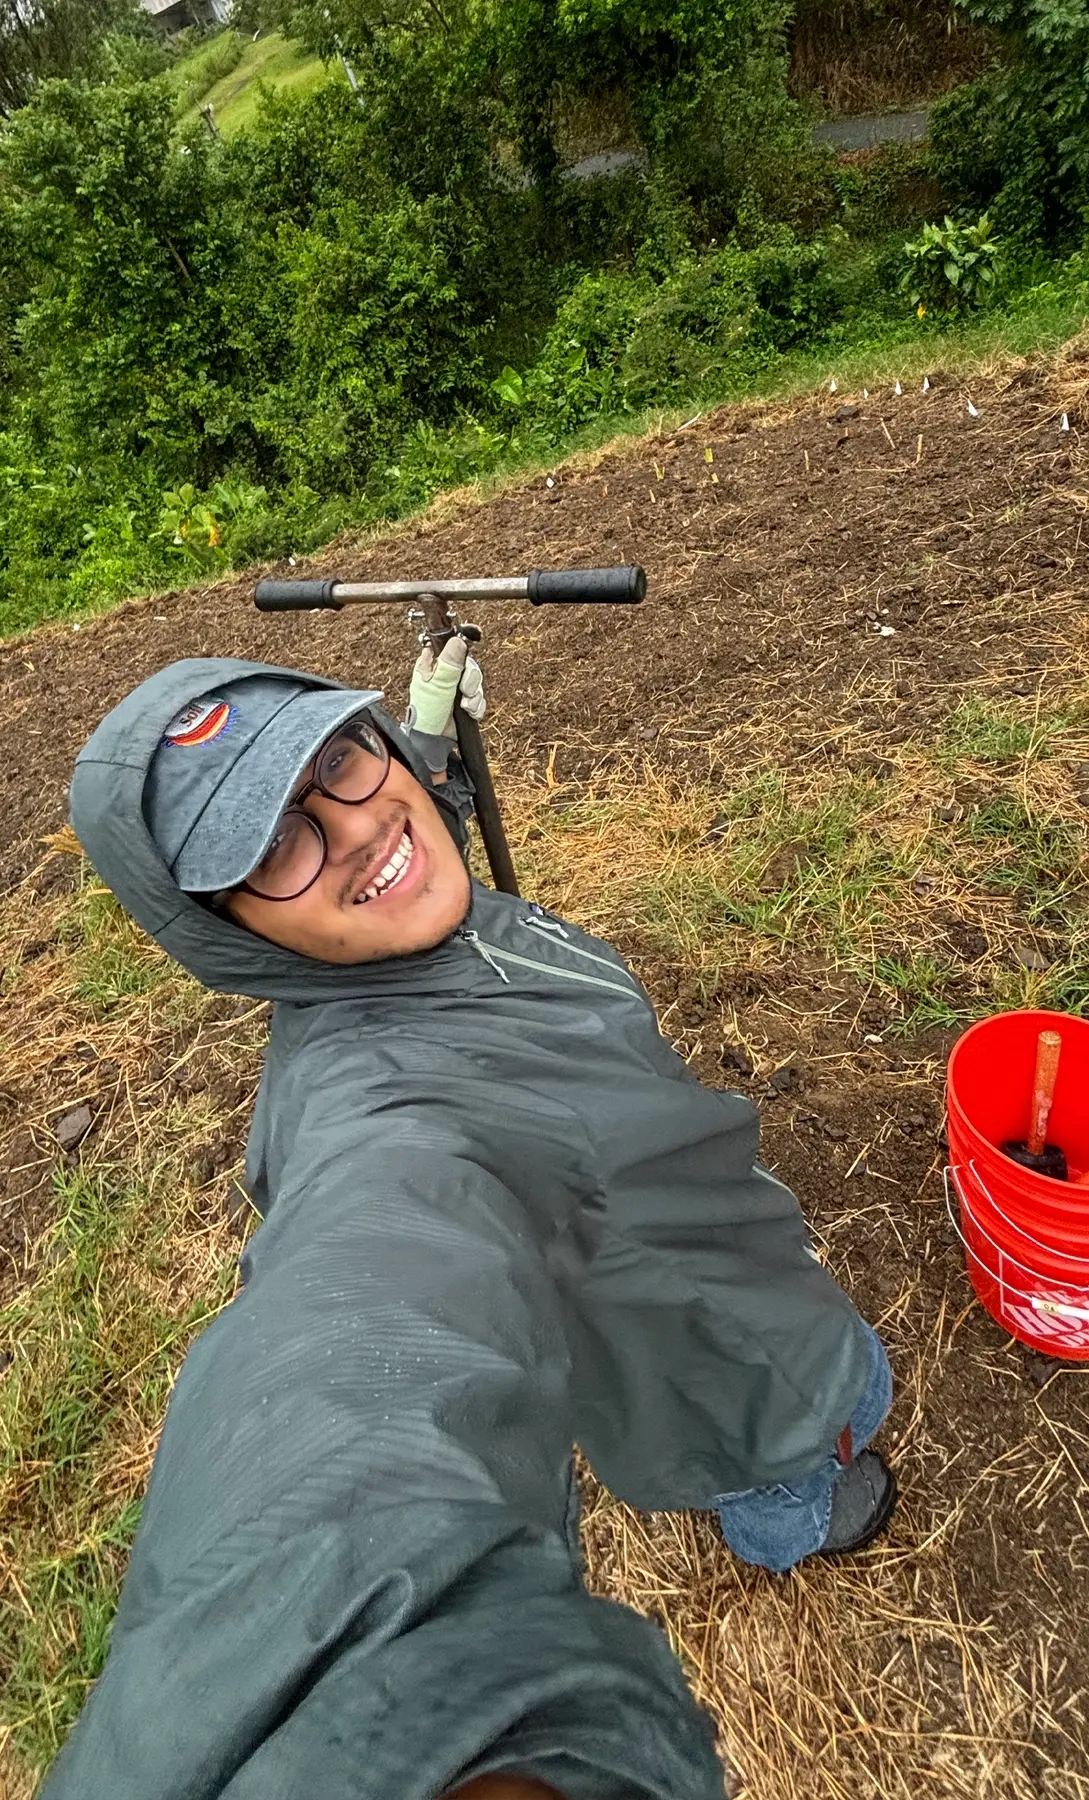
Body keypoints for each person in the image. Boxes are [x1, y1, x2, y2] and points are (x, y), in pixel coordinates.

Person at [48, 641, 897, 1800]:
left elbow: (396, 795)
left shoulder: (420, 910)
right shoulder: (384, 1113)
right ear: (223, 927)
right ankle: (795, 1515)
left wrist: (415, 726)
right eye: (268, 843)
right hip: (714, 1345)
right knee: (794, 1427)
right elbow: (363, 1336)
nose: (350, 830)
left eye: (334, 760)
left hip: (700, 1244)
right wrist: (338, 1712)